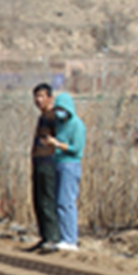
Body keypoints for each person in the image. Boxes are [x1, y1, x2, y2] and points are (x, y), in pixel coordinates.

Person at [46, 91, 85, 252]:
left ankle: (70, 239)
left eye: (62, 109)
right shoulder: (60, 124)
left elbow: (76, 148)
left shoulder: (77, 125)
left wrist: (57, 144)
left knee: (66, 202)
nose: (59, 113)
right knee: (58, 202)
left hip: (70, 165)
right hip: (59, 163)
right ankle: (63, 237)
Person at [25, 83, 60, 253]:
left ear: (50, 98)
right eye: (36, 97)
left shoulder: (54, 116)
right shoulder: (42, 117)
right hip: (38, 162)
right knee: (38, 201)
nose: (38, 100)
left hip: (48, 162)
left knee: (47, 200)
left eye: (41, 96)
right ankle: (44, 236)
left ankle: (52, 237)